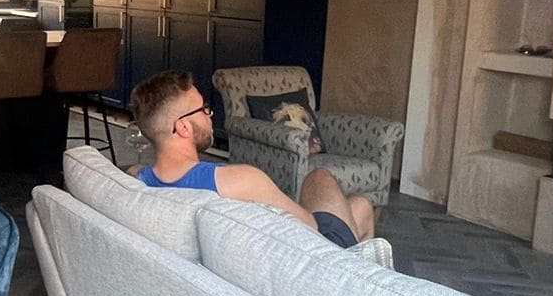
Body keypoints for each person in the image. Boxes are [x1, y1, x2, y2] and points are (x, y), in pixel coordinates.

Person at [125, 69, 374, 248]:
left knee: (360, 205)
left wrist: (135, 169)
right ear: (183, 127)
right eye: (203, 109)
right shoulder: (239, 180)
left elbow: (133, 170)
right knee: (322, 178)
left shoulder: (138, 181)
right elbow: (310, 227)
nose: (210, 115)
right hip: (316, 256)